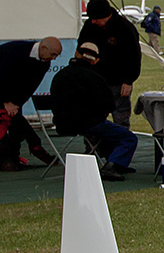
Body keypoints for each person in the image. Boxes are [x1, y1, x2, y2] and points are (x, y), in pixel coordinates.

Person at [49, 41, 138, 182]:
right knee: (128, 137)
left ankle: (114, 162)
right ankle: (113, 165)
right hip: (89, 123)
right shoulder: (95, 78)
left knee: (106, 133)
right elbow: (109, 105)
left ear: (76, 54)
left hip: (63, 124)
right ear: (96, 60)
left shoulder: (59, 76)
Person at [77, 0, 141, 128]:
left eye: (96, 18)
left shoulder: (124, 27)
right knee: (93, 118)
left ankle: (122, 147)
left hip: (118, 82)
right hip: (93, 79)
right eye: (91, 18)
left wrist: (128, 81)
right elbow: (81, 46)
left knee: (121, 118)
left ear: (105, 15)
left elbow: (134, 56)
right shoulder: (89, 26)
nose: (93, 21)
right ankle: (93, 148)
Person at [0, 37, 62, 116]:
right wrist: (6, 101)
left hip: (10, 79)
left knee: (14, 112)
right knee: (1, 109)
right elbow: (2, 76)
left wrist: (17, 104)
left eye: (56, 56)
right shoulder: (18, 51)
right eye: (53, 54)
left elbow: (30, 86)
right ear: (43, 48)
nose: (54, 58)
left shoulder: (45, 62)